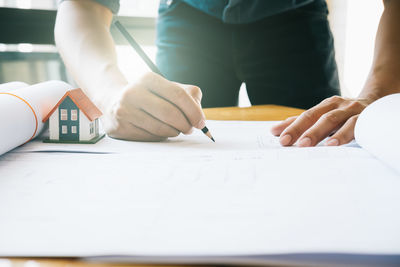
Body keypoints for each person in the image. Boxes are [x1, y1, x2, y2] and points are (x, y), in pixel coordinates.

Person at [55, 0, 400, 146]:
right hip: (188, 17)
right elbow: (80, 6)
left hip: (294, 16)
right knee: (168, 131)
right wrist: (110, 92)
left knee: (317, 142)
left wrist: (376, 96)